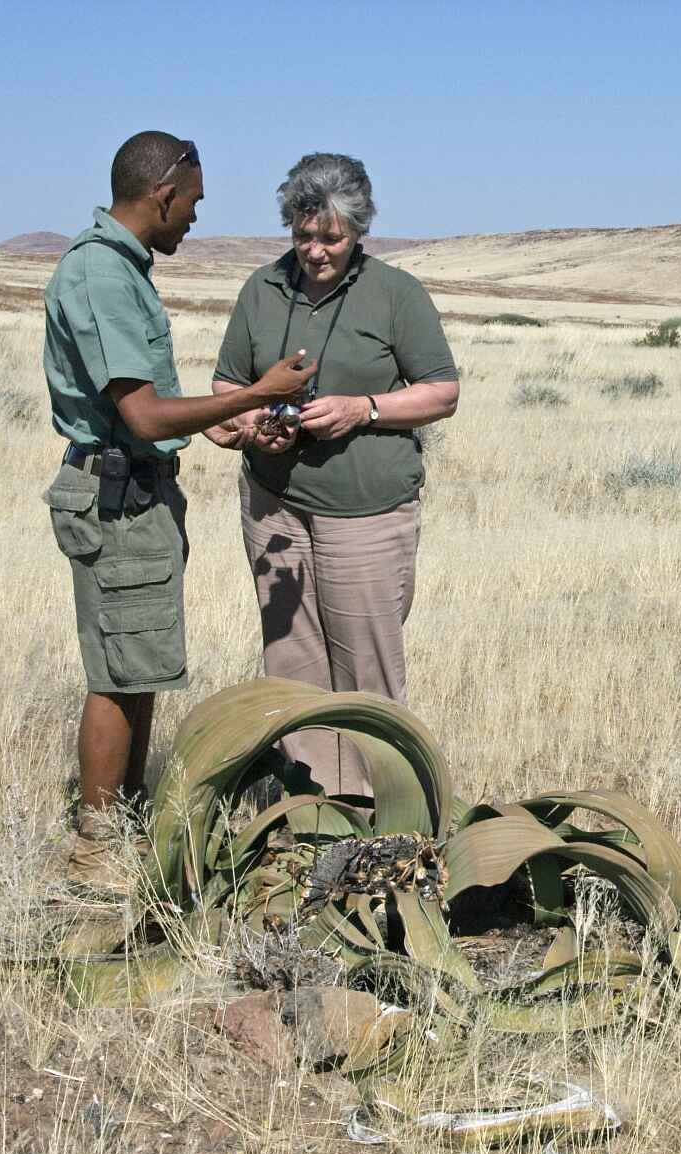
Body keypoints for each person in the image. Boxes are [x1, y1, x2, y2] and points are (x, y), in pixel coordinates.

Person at [43, 131, 314, 885]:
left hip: (137, 491)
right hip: (117, 497)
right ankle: (98, 847)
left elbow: (153, 410)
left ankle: (125, 821)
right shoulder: (100, 272)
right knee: (116, 673)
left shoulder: (121, 268)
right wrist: (257, 393)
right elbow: (144, 417)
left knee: (138, 668)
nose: (195, 217)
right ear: (163, 193)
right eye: (192, 202)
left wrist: (227, 421)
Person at [208, 152, 459, 797]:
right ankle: (317, 803)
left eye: (331, 237)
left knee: (363, 661)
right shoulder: (262, 289)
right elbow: (225, 385)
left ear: (360, 230)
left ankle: (389, 812)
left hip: (366, 511)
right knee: (291, 656)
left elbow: (440, 392)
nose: (315, 250)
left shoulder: (396, 294)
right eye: (303, 234)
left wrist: (363, 409)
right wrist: (252, 421)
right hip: (275, 505)